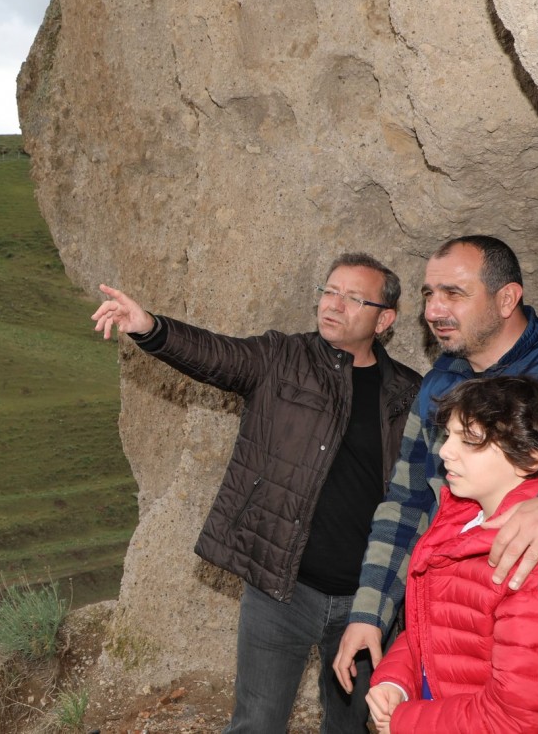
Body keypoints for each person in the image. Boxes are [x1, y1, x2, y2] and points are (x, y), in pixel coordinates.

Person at [93, 253, 420, 733]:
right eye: (329, 291)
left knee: (349, 729)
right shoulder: (282, 358)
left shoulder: (408, 392)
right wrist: (148, 327)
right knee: (256, 724)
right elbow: (215, 356)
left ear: (384, 319)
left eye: (353, 298)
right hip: (280, 591)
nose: (334, 304)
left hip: (365, 602)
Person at [334, 235, 538, 696]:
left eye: (453, 294)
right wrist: (370, 611)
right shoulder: (441, 381)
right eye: (428, 294)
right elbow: (407, 501)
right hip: (452, 649)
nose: (434, 310)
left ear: (506, 299)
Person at [365, 376, 538, 733]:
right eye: (448, 435)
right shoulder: (463, 519)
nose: (446, 451)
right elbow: (435, 623)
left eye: (470, 440)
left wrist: (404, 722)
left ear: (527, 457)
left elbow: (519, 721)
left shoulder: (535, 566)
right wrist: (396, 681)